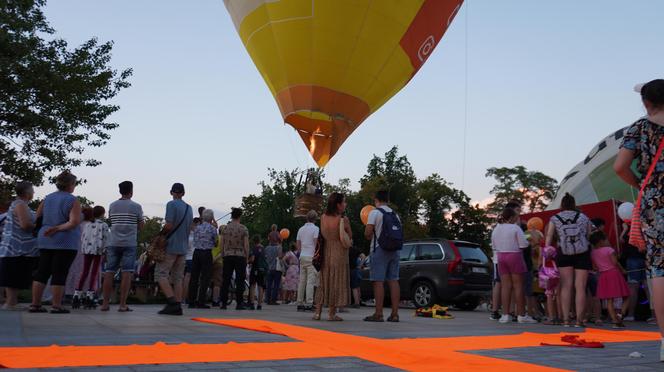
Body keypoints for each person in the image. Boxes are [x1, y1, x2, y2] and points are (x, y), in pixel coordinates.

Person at [614, 79, 664, 360]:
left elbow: (619, 166)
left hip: (655, 203)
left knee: (658, 269)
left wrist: (641, 183)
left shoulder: (640, 127)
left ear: (646, 102)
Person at [30, 171, 82, 313]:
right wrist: (57, 228)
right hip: (65, 241)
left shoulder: (47, 199)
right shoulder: (72, 200)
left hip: (45, 240)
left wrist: (45, 230)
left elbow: (38, 218)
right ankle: (56, 305)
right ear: (71, 185)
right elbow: (74, 222)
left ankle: (35, 304)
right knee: (60, 272)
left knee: (42, 271)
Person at [545, 193, 593, 327]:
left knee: (566, 286)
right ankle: (579, 320)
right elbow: (589, 235)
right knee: (581, 287)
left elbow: (549, 236)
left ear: (562, 204)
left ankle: (566, 320)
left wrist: (548, 250)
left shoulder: (555, 218)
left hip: (563, 253)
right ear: (574, 203)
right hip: (582, 253)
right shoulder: (583, 217)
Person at [101, 181, 144, 312]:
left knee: (109, 272)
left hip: (113, 242)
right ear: (131, 191)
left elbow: (112, 222)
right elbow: (141, 225)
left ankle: (105, 304)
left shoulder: (112, 205)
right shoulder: (136, 206)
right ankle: (122, 304)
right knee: (127, 273)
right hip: (129, 243)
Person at [491, 207, 537, 324]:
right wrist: (530, 241)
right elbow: (523, 244)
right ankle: (521, 315)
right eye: (516, 217)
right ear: (511, 218)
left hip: (501, 256)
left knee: (505, 286)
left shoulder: (496, 229)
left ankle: (505, 315)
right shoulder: (515, 228)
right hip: (515, 256)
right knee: (518, 286)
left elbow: (494, 246)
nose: (517, 220)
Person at [155, 183, 193, 316]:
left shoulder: (171, 205)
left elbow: (169, 225)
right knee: (178, 277)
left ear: (171, 192)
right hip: (183, 247)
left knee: (161, 274)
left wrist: (160, 235)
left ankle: (172, 303)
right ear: (183, 193)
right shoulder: (189, 208)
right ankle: (178, 306)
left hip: (170, 246)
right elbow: (189, 229)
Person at [363, 190, 400, 323]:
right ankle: (395, 314)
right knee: (394, 280)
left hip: (379, 249)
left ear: (376, 199)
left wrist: (369, 233)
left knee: (378, 281)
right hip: (395, 250)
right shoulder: (395, 214)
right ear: (388, 200)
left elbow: (368, 233)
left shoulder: (374, 212)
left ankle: (378, 314)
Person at [0, 181, 38, 310]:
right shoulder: (20, 204)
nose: (33, 192)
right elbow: (25, 225)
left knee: (16, 275)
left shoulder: (21, 204)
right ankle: (10, 303)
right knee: (13, 274)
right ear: (27, 193)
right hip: (16, 247)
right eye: (32, 190)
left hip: (20, 247)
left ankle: (13, 302)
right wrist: (39, 227)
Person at [314, 192, 351, 321]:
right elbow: (349, 237)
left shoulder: (323, 217)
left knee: (323, 282)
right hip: (339, 252)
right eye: (344, 202)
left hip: (325, 251)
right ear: (338, 205)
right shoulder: (343, 220)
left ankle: (317, 312)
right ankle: (331, 313)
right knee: (336, 282)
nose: (345, 204)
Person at [589, 230, 630, 328]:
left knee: (609, 300)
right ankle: (621, 315)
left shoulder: (593, 253)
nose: (607, 241)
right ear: (600, 241)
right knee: (626, 296)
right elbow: (615, 262)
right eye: (605, 239)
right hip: (614, 273)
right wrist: (623, 269)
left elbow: (595, 267)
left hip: (603, 275)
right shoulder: (609, 249)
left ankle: (615, 320)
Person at [74, 206, 109, 308]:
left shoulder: (87, 224)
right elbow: (106, 239)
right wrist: (105, 251)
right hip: (98, 251)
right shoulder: (104, 225)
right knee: (93, 273)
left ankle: (77, 294)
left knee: (84, 272)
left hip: (87, 250)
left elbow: (83, 237)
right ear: (102, 214)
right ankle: (90, 295)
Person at [220, 208, 249, 310]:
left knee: (226, 279)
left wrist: (223, 253)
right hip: (240, 255)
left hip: (228, 255)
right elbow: (246, 245)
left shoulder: (225, 228)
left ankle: (223, 302)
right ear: (240, 216)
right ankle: (239, 303)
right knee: (240, 279)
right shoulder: (243, 229)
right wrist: (247, 256)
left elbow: (222, 243)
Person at [620, 222, 650, 321]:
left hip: (632, 261)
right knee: (648, 287)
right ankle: (654, 315)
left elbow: (622, 240)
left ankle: (631, 314)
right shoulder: (643, 226)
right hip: (646, 259)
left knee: (633, 289)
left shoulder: (629, 229)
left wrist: (624, 229)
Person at [188, 209, 217, 308]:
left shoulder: (197, 228)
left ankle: (191, 300)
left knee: (194, 277)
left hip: (196, 252)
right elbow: (215, 241)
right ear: (211, 218)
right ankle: (201, 301)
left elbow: (195, 239)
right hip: (207, 252)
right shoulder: (213, 229)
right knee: (205, 277)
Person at [296, 210, 319, 311]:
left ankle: (299, 302)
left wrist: (301, 253)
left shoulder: (301, 229)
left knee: (302, 280)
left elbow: (298, 244)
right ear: (315, 219)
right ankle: (309, 302)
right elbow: (316, 243)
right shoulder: (316, 229)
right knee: (310, 281)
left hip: (303, 256)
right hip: (311, 256)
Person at [540, 245, 561, 325]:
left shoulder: (546, 250)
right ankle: (560, 316)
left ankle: (551, 317)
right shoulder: (557, 251)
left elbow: (541, 261)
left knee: (549, 295)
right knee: (558, 295)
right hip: (557, 274)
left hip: (548, 275)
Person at [182, 218, 201, 304]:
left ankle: (181, 297)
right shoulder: (195, 235)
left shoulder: (185, 235)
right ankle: (186, 298)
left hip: (184, 258)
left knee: (182, 278)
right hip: (192, 258)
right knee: (189, 279)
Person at [248, 235, 267, 310]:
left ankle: (252, 304)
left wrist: (248, 261)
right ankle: (259, 305)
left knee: (252, 286)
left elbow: (252, 259)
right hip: (262, 269)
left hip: (255, 268)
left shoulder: (254, 248)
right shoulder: (263, 248)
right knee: (260, 286)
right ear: (260, 240)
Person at [265, 232, 284, 305]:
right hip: (276, 268)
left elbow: (265, 257)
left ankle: (267, 299)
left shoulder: (267, 248)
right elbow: (280, 257)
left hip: (269, 268)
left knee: (269, 284)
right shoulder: (279, 247)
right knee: (276, 284)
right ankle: (273, 300)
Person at [211, 225, 225, 307]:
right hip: (219, 262)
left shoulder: (214, 238)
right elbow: (222, 252)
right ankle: (215, 300)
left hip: (209, 260)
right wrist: (216, 258)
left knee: (206, 280)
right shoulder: (223, 240)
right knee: (217, 282)